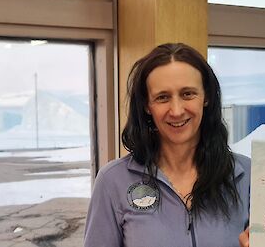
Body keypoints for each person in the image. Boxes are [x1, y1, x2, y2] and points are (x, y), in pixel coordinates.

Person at [84, 43, 250, 247]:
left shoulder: (247, 176)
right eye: (162, 97)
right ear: (147, 105)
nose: (177, 110)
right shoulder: (113, 182)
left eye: (188, 94)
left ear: (206, 97)